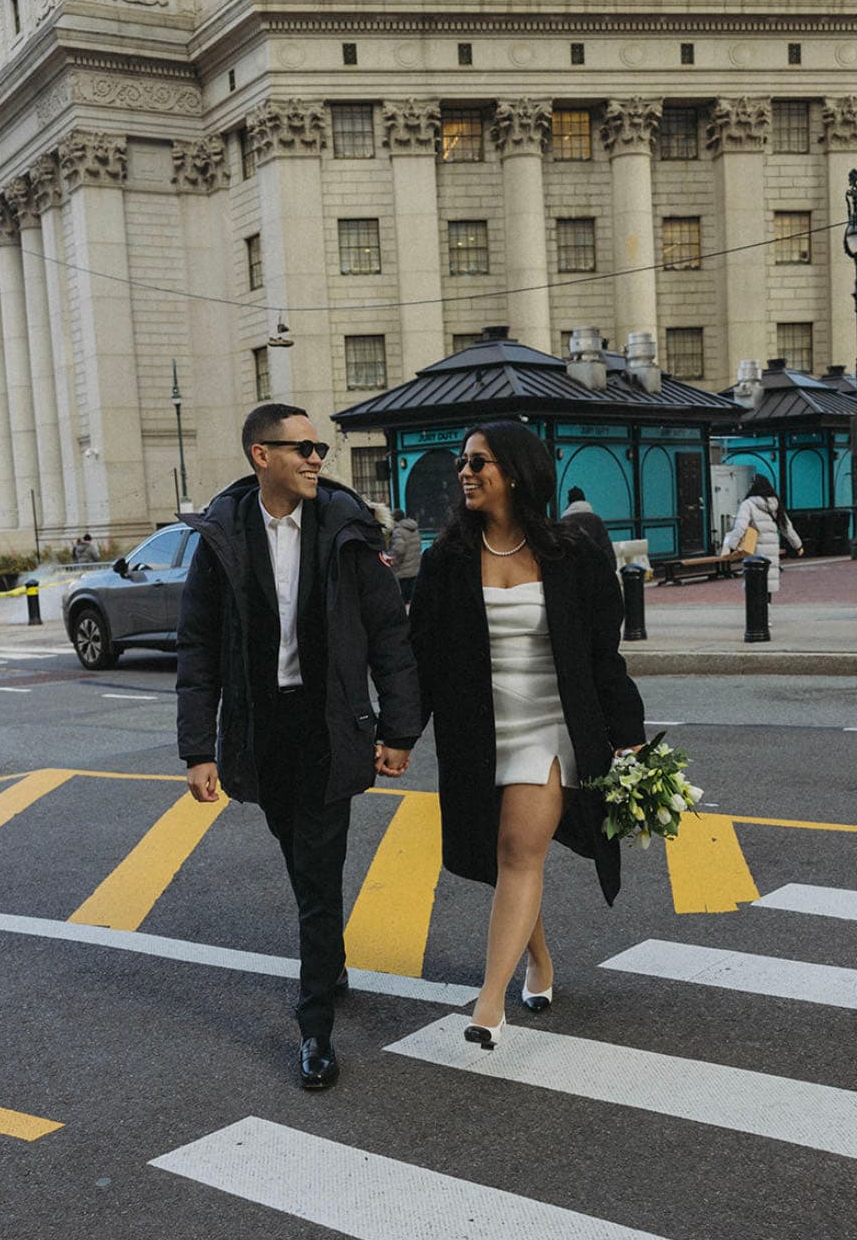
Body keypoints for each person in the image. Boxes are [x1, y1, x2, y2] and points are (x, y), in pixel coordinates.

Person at [176, 403, 421, 1089]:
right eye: (302, 447)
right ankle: (331, 957)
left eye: (319, 448)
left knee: (318, 873)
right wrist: (199, 748)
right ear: (262, 455)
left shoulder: (346, 527)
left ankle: (315, 1030)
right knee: (299, 857)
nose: (317, 458)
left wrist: (399, 730)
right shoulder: (223, 535)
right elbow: (196, 650)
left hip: (328, 726)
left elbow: (389, 635)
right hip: (260, 730)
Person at [409, 421, 646, 1049]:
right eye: (463, 461)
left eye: (479, 462)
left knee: (519, 850)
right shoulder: (447, 560)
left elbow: (604, 658)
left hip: (551, 723)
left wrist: (628, 736)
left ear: (513, 472)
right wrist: (400, 733)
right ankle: (539, 960)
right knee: (506, 858)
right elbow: (423, 658)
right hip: (479, 732)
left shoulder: (572, 555)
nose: (465, 471)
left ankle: (489, 1006)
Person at [721, 473, 803, 595]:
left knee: (755, 586)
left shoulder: (748, 504)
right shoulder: (776, 504)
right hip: (772, 550)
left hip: (755, 549)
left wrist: (732, 546)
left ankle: (760, 613)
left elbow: (740, 528)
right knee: (767, 585)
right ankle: (767, 611)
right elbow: (787, 528)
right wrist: (798, 545)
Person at [560, 486, 614, 564]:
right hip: (596, 569)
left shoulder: (564, 522)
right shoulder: (596, 520)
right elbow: (606, 548)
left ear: (569, 502)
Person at [388, 508, 422, 604]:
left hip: (404, 572)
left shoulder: (398, 531)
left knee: (403, 601)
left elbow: (399, 549)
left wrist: (391, 559)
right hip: (415, 570)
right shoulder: (414, 529)